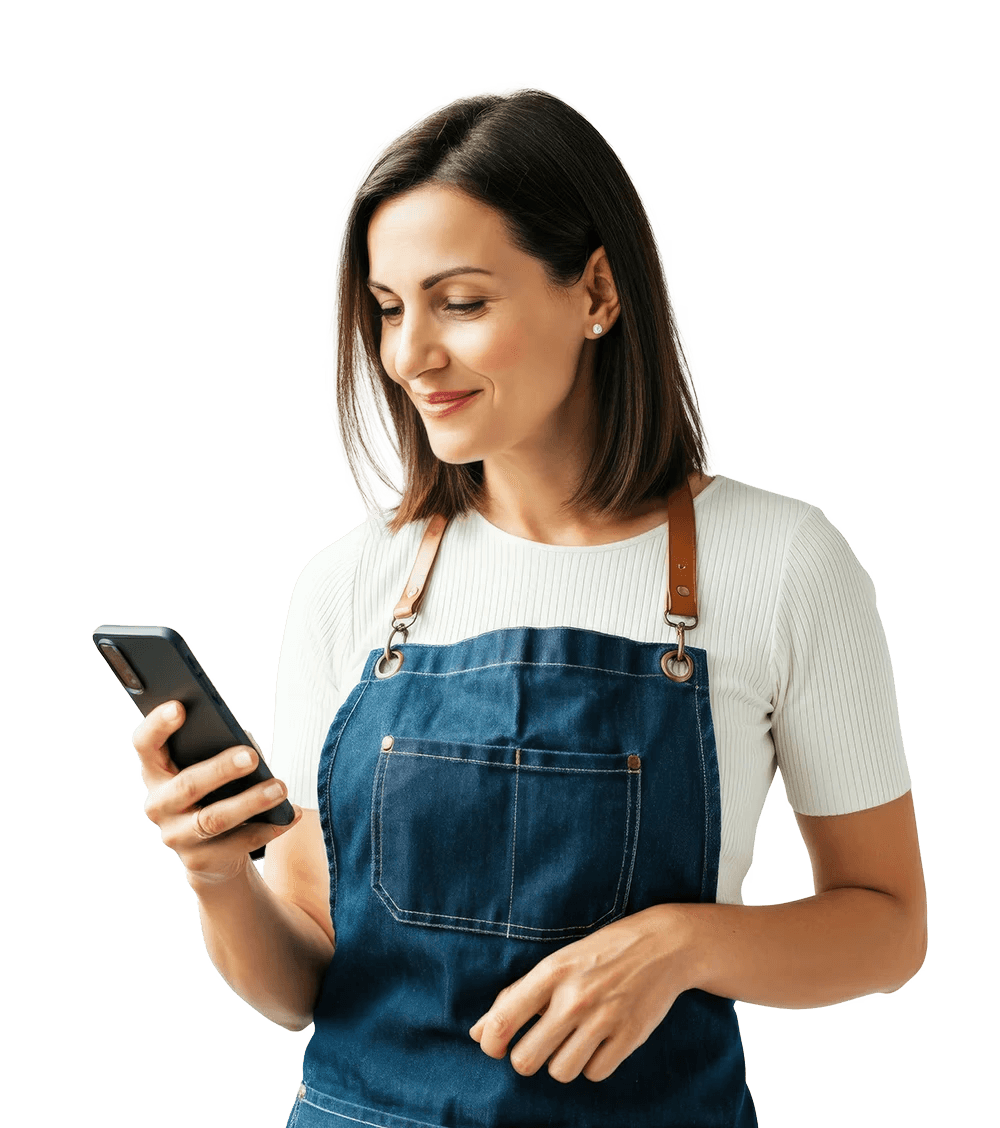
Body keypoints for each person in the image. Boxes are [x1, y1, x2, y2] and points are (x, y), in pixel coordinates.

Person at [132, 82, 927, 1127]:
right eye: (386, 309)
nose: (410, 355)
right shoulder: (348, 584)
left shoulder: (781, 561)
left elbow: (884, 926)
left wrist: (684, 943)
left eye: (460, 302)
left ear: (596, 292)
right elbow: (302, 988)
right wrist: (218, 876)